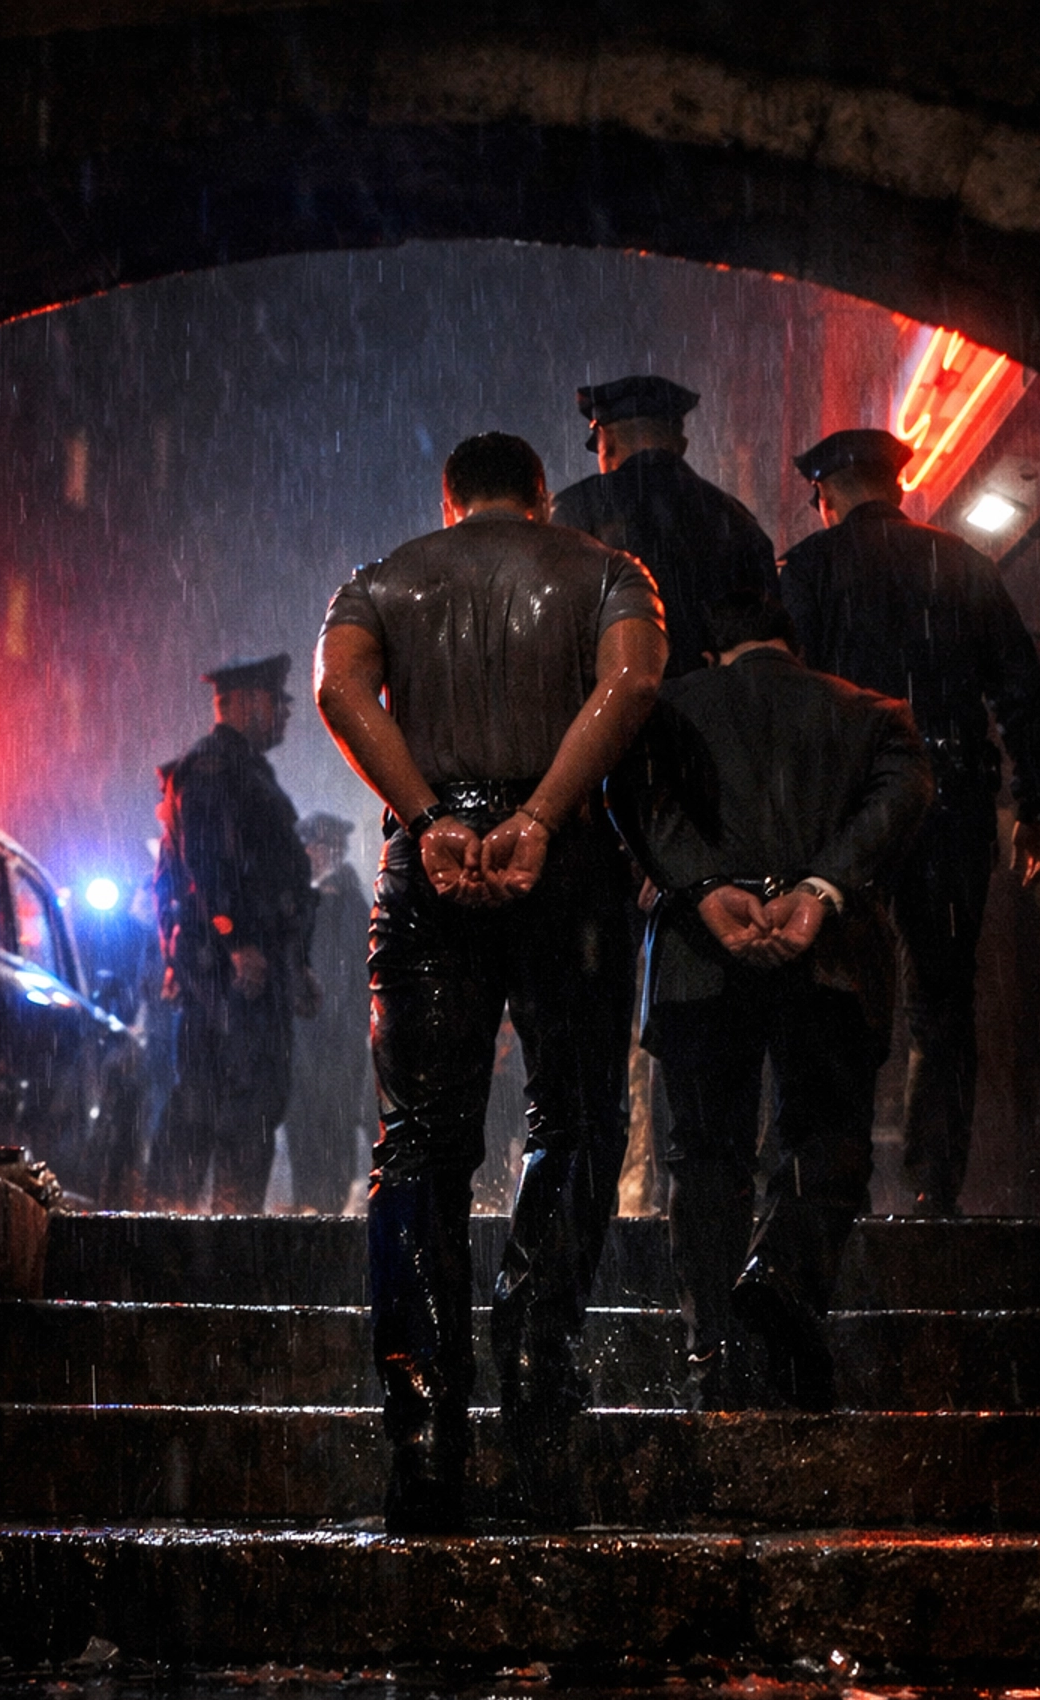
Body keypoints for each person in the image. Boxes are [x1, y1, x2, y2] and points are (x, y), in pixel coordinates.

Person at [315, 430, 666, 1531]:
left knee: (418, 1141)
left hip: (427, 869)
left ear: (451, 501)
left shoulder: (379, 581)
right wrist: (544, 815)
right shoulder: (608, 573)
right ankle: (535, 1357)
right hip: (569, 866)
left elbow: (340, 693)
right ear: (541, 496)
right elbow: (634, 679)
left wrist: (427, 816)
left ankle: (424, 1430)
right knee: (577, 1116)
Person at [607, 593, 932, 1408]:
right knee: (826, 1134)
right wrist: (822, 887)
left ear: (713, 652)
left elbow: (629, 791)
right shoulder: (873, 715)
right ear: (797, 646)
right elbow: (903, 798)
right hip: (830, 957)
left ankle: (713, 1348)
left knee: (704, 1151)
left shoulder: (666, 708)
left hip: (698, 958)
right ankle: (783, 1276)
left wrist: (702, 883)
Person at [780, 428, 1040, 1213]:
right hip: (949, 799)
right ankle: (931, 1191)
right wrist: (1034, 805)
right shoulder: (962, 563)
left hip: (846, 810)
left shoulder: (809, 570)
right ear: (898, 486)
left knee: (835, 993)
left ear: (825, 496)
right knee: (941, 999)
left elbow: (787, 698)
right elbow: (1020, 691)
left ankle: (828, 1184)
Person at [149, 653, 319, 1214]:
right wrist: (237, 939)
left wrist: (297, 962)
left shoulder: (241, 769)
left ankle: (206, 1224)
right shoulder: (213, 769)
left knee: (239, 1097)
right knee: (229, 1098)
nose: (286, 712)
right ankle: (194, 1226)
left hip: (243, 966)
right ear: (246, 701)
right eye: (277, 700)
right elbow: (203, 865)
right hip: (230, 971)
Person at [551, 374, 779, 680]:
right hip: (717, 701)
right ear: (681, 445)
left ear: (608, 441)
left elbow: (553, 628)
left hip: (615, 701)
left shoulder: (574, 510)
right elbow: (768, 638)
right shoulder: (736, 518)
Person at [286, 810, 374, 1213]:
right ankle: (309, 1202)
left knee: (335, 1119)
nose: (319, 853)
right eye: (314, 845)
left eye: (327, 846)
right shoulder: (297, 899)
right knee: (303, 1120)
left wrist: (351, 1018)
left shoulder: (349, 901)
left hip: (338, 1032)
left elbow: (358, 966)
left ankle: (329, 1206)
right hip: (303, 1029)